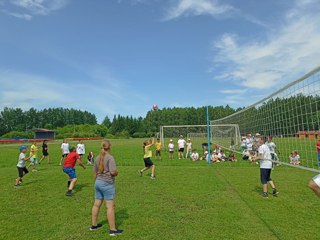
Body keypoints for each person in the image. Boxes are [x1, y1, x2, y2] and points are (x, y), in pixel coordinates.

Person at [90, 140, 123, 236]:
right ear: (110, 147)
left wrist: (96, 182)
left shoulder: (97, 157)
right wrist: (117, 172)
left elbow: (95, 173)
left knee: (96, 205)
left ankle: (94, 226)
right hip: (107, 184)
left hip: (98, 183)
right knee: (110, 207)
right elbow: (113, 172)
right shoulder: (110, 158)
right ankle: (113, 230)